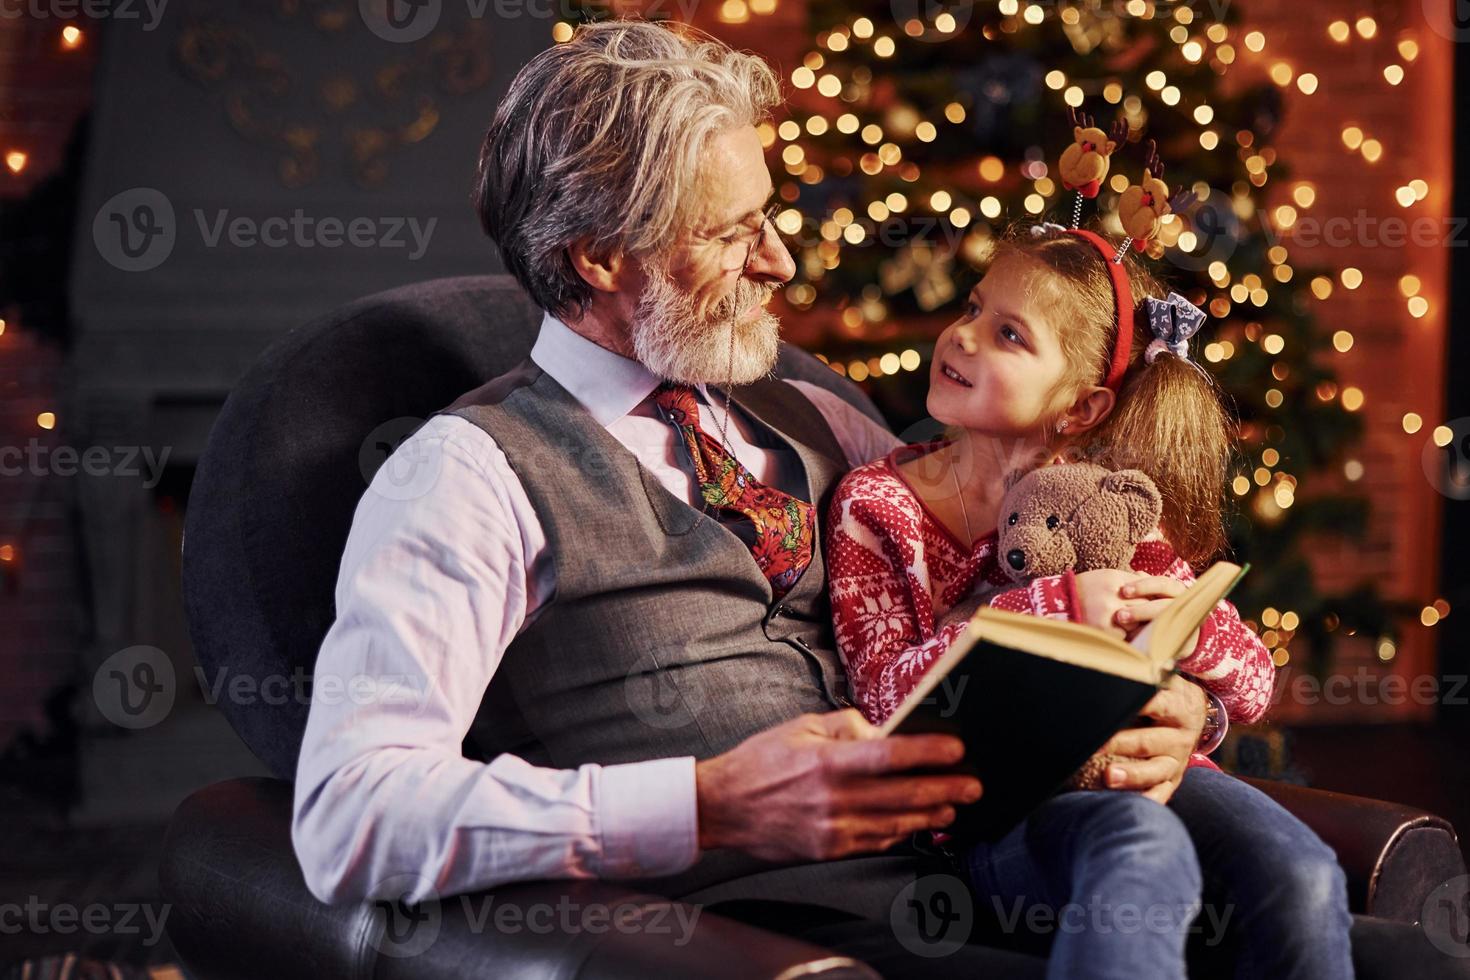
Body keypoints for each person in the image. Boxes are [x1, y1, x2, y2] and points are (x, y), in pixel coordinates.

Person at [291, 19, 1044, 977]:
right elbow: (348, 814)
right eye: (732, 234)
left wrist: (1167, 713)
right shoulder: (466, 476)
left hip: (1002, 872)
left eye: (769, 217)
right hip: (781, 941)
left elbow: (1008, 589)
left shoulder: (820, 418)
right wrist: (709, 803)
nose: (778, 262)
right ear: (600, 258)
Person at [825, 222, 1354, 978]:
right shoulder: (878, 505)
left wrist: (1184, 668)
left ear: (1079, 409)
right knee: (1140, 847)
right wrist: (1055, 603)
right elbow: (882, 701)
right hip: (994, 815)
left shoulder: (1105, 505)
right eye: (972, 308)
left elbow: (1253, 677)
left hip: (1144, 772)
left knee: (1301, 871)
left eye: (1008, 333)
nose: (964, 336)